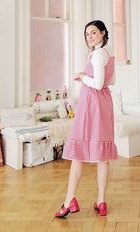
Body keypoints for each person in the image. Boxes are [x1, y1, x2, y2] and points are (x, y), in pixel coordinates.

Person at [55, 20, 118, 218]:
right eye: (87, 34)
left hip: (91, 104)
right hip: (103, 104)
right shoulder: (107, 54)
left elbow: (98, 84)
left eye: (93, 33)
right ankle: (101, 201)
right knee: (101, 156)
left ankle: (68, 201)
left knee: (78, 153)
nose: (89, 37)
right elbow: (111, 81)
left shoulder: (98, 55)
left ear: (102, 33)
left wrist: (82, 76)